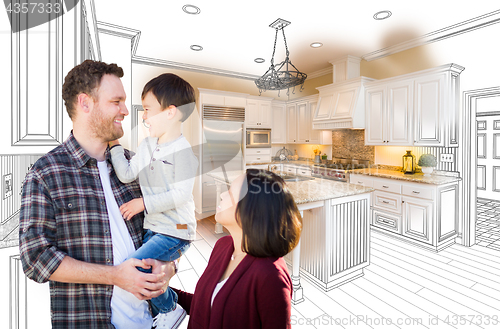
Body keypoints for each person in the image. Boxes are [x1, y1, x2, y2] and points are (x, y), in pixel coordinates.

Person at [19, 59, 175, 329]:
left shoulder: (135, 165)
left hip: (149, 321)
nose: (126, 110)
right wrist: (115, 276)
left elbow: (167, 229)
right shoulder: (46, 173)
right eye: (116, 101)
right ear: (85, 103)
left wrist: (168, 268)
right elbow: (35, 259)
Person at [108, 73, 198, 329]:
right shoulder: (146, 145)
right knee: (150, 273)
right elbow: (126, 174)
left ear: (170, 112)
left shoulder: (184, 153)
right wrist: (114, 145)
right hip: (154, 228)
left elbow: (180, 195)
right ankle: (167, 308)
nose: (144, 116)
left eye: (148, 109)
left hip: (177, 230)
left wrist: (143, 203)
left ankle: (171, 308)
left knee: (134, 268)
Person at [170, 169, 302, 329]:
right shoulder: (223, 246)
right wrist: (162, 290)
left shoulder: (271, 277)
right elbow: (205, 305)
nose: (222, 195)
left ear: (252, 209)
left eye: (231, 193)